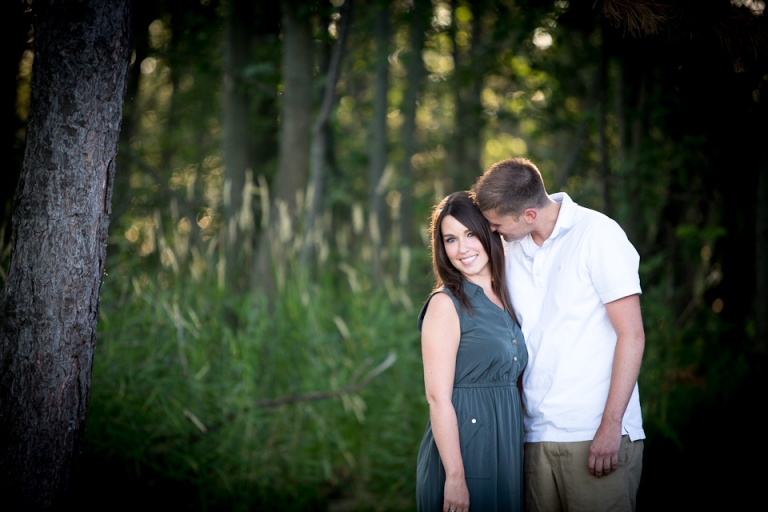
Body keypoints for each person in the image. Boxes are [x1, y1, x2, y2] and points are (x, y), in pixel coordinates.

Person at [471, 157, 645, 512]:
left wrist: (610, 427)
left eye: (497, 223)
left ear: (529, 215)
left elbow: (632, 335)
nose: (493, 231)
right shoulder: (510, 249)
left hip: (593, 434)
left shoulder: (598, 235)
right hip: (535, 438)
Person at [416, 191, 527, 512]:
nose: (462, 248)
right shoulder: (445, 304)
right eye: (450, 239)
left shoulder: (506, 298)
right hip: (466, 447)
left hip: (504, 443)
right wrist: (454, 476)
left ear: (489, 232)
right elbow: (437, 398)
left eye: (469, 234)